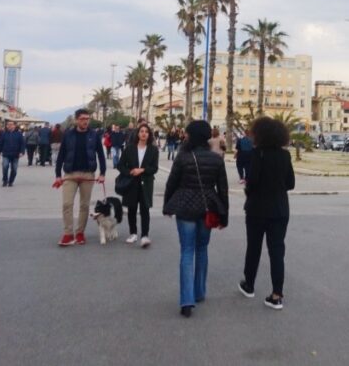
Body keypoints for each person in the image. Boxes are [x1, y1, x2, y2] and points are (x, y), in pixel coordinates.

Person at [163, 120, 229, 318]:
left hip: (184, 207)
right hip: (207, 206)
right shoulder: (216, 159)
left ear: (191, 136)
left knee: (187, 251)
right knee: (202, 249)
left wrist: (167, 206)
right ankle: (199, 291)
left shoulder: (183, 157)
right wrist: (224, 216)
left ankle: (186, 300)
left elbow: (171, 183)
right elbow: (223, 189)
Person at [239, 118, 296, 310]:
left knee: (253, 247)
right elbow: (290, 184)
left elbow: (252, 181)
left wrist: (249, 190)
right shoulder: (285, 155)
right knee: (277, 251)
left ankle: (249, 284)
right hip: (280, 209)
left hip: (257, 209)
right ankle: (277, 294)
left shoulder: (258, 154)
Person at [54, 109, 107, 247]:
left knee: (84, 205)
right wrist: (58, 175)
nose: (85, 121)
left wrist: (102, 173)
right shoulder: (68, 135)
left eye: (87, 119)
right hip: (70, 174)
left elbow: (101, 155)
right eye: (83, 119)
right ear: (77, 120)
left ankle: (80, 233)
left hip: (87, 174)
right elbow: (61, 155)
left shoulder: (94, 135)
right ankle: (68, 234)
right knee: (67, 204)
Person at [117, 123, 159, 247]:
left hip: (146, 183)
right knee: (132, 209)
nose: (144, 133)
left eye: (146, 131)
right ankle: (133, 233)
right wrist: (130, 172)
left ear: (149, 135)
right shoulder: (129, 148)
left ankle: (145, 235)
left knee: (145, 209)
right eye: (142, 131)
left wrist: (142, 170)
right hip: (131, 183)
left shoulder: (153, 150)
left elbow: (154, 168)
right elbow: (120, 165)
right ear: (138, 133)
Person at [0, 121, 25, 187]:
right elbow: (0, 143)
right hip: (6, 153)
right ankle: (5, 180)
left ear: (14, 126)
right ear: (6, 126)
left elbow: (22, 144)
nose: (9, 126)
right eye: (8, 124)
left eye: (11, 124)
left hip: (16, 154)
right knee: (5, 166)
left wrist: (22, 152)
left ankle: (11, 181)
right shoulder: (3, 134)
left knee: (14, 169)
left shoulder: (19, 134)